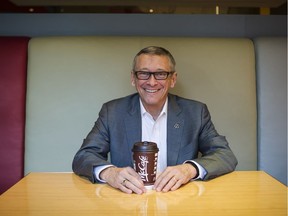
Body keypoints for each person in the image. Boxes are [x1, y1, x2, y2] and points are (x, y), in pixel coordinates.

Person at [72, 46, 238, 194]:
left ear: (172, 79)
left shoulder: (195, 112)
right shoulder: (113, 111)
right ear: (133, 78)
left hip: (179, 201)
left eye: (160, 74)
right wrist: (109, 173)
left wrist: (189, 169)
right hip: (127, 203)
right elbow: (84, 156)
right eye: (144, 73)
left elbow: (225, 155)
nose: (151, 82)